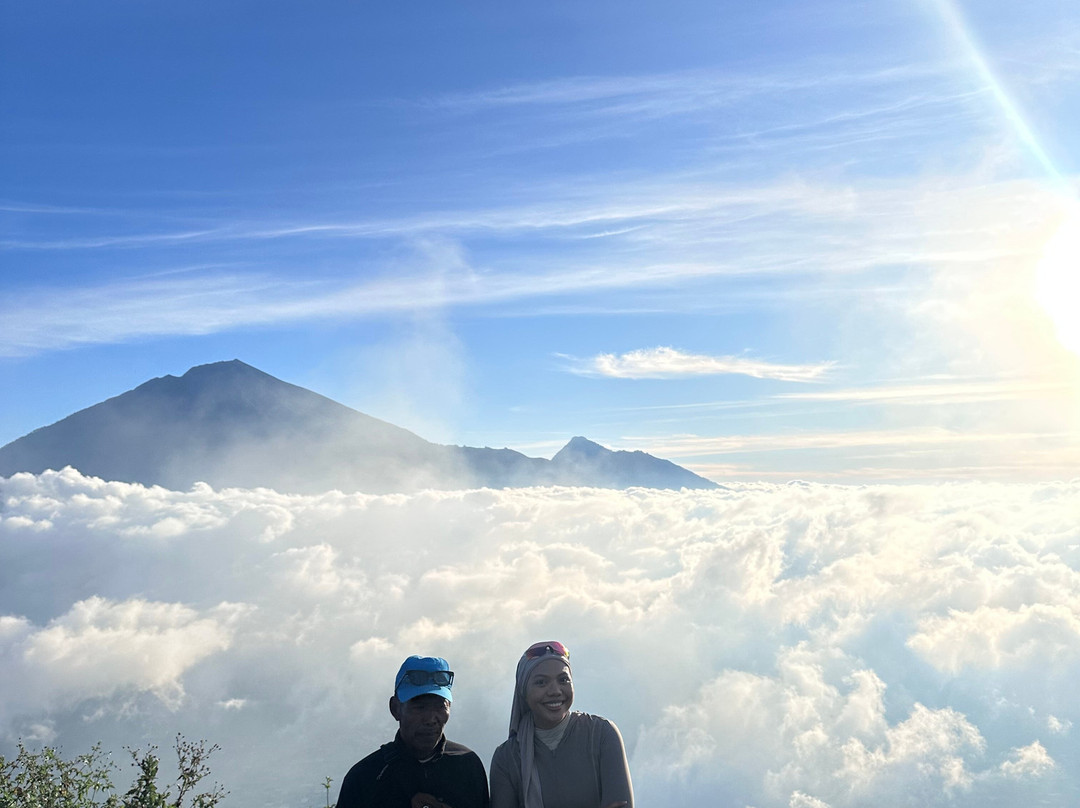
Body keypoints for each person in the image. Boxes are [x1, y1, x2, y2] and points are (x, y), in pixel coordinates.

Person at [489, 641, 633, 808]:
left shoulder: (601, 735)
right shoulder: (508, 758)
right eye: (541, 682)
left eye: (563, 680)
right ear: (524, 692)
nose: (555, 691)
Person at [338, 655, 490, 808]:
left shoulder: (467, 765)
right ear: (395, 709)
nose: (431, 719)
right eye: (420, 707)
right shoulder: (366, 777)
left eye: (440, 706)